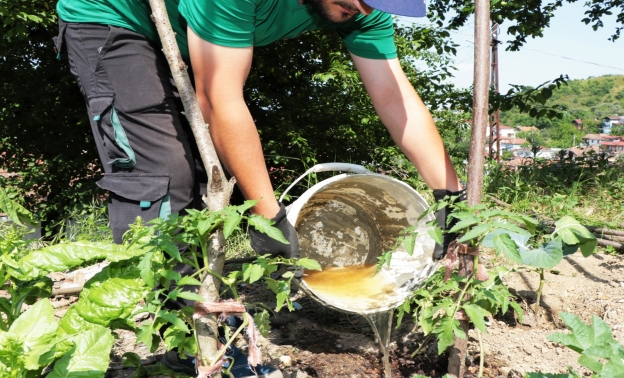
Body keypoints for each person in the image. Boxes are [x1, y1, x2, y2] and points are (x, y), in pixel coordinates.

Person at [53, 0, 464, 376]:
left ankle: (204, 322)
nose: (364, 8)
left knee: (203, 179)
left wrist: (451, 195)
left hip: (185, 30)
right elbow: (218, 99)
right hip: (113, 18)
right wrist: (268, 216)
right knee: (164, 175)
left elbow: (395, 99)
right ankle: (185, 343)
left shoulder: (362, 7)